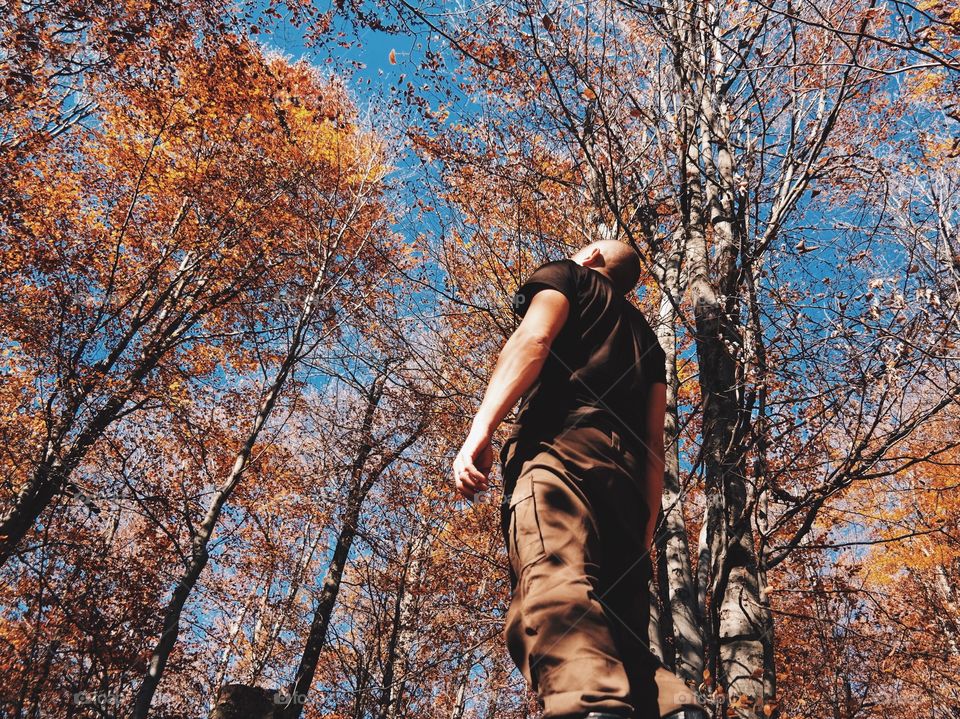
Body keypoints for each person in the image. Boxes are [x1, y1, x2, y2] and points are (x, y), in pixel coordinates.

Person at [452, 240, 705, 719]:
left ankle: (591, 706)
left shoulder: (569, 275)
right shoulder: (649, 342)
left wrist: (479, 431)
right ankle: (675, 708)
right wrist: (644, 531)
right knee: (616, 625)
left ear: (590, 258)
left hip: (560, 451)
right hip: (627, 486)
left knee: (549, 584)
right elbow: (655, 443)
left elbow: (533, 341)